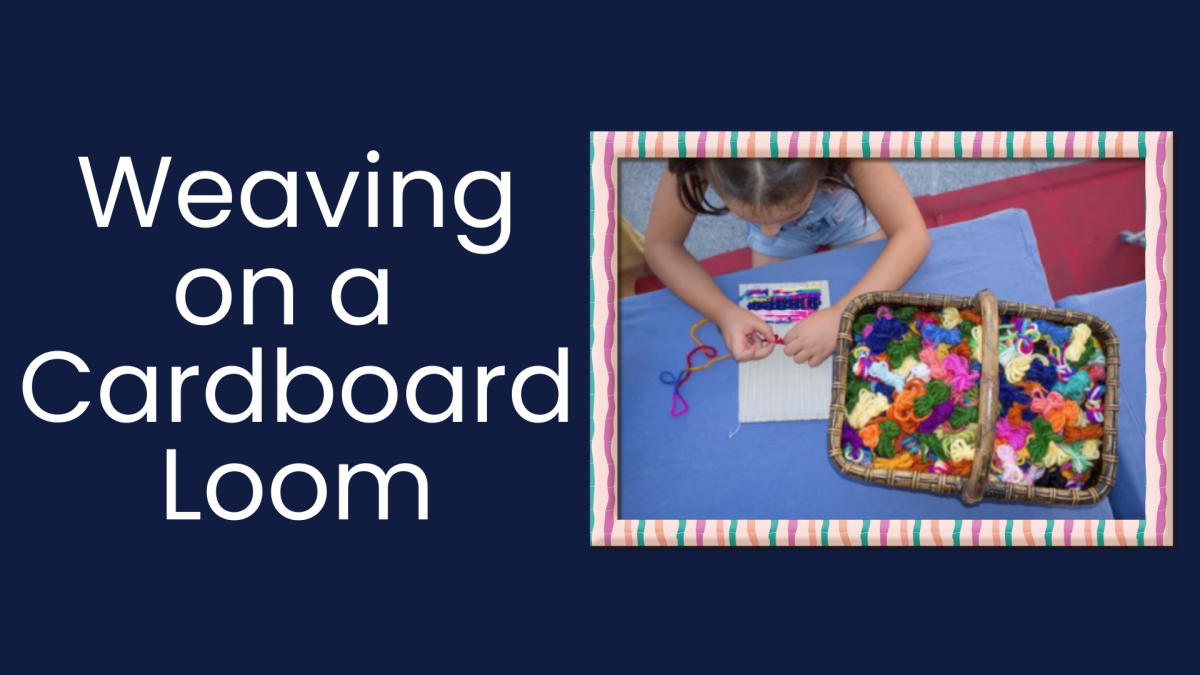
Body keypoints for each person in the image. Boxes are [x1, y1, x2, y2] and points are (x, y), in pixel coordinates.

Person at [644, 158, 930, 367]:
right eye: (751, 219)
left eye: (791, 212)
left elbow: (913, 236)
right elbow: (661, 246)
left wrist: (844, 315)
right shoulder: (696, 152)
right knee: (773, 314)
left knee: (875, 288)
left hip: (843, 213)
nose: (770, 233)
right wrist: (724, 312)